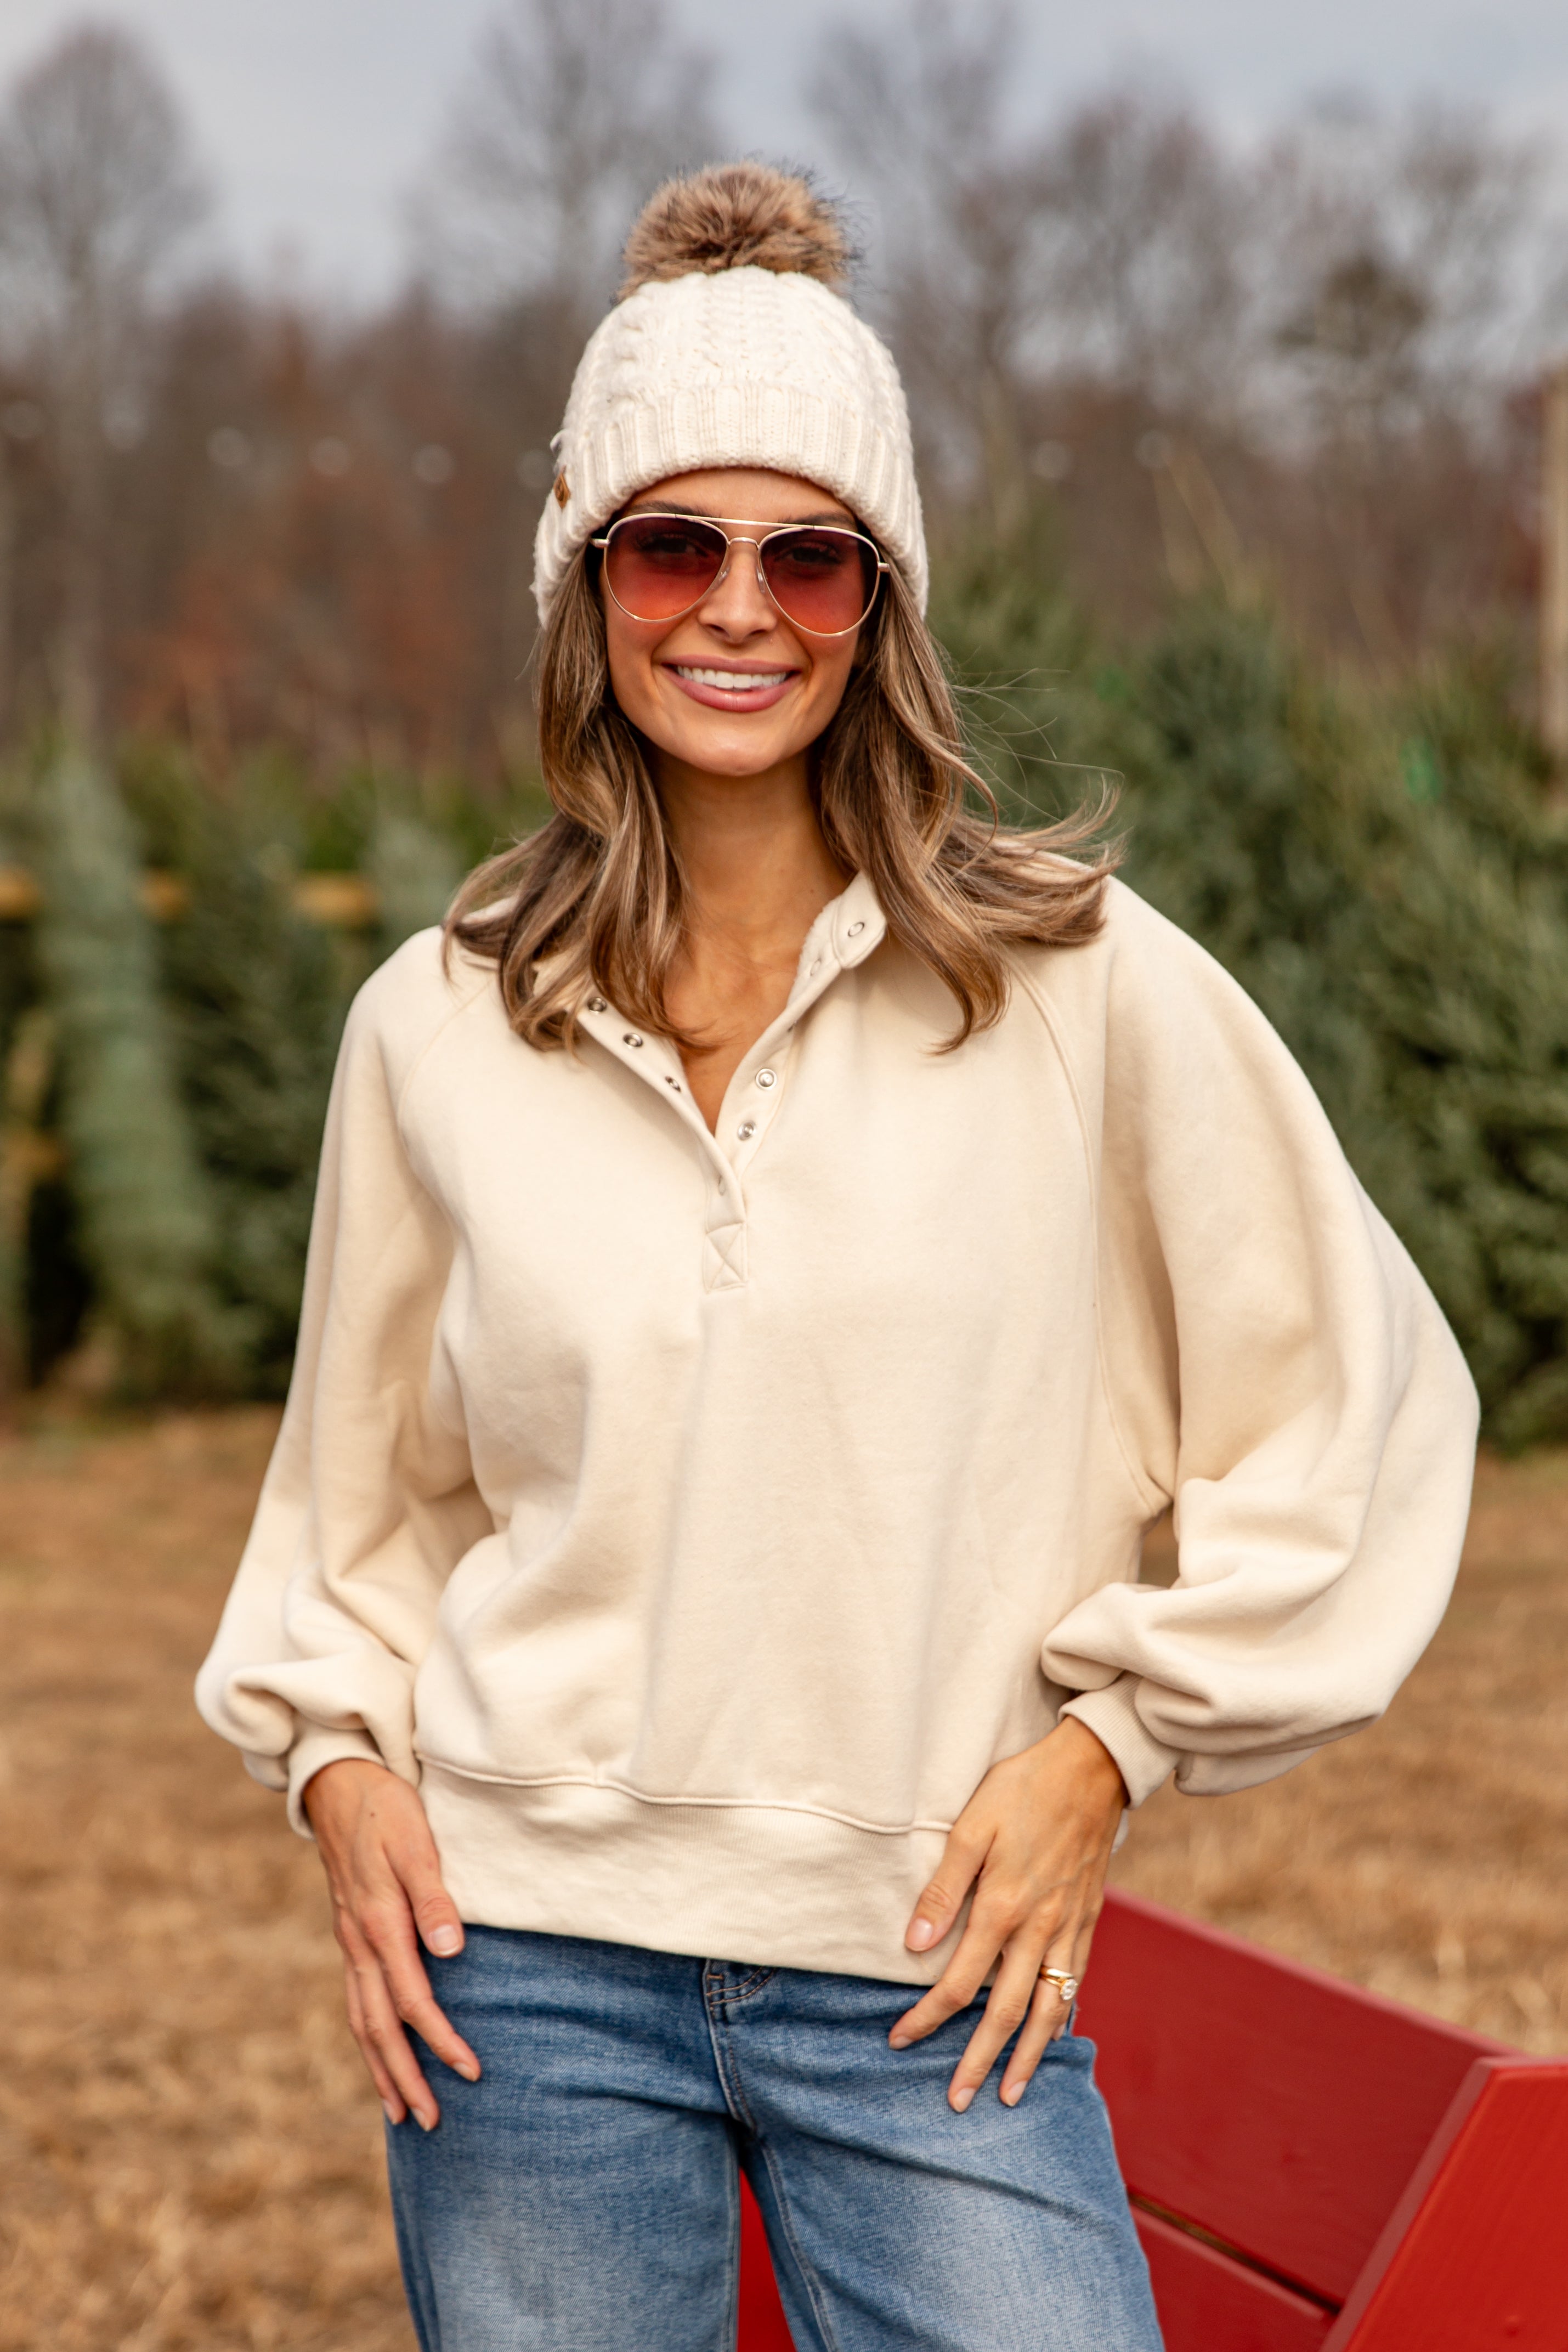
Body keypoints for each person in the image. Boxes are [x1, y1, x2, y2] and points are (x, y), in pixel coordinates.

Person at [197, 163, 1479, 2352]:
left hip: (922, 1969)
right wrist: (336, 1771)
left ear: (880, 606)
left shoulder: (1079, 987)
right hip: (520, 1977)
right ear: (583, 586)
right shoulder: (438, 1018)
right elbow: (357, 1500)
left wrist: (1105, 1750)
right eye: (670, 545)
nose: (738, 608)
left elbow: (1347, 1402)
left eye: (810, 556)